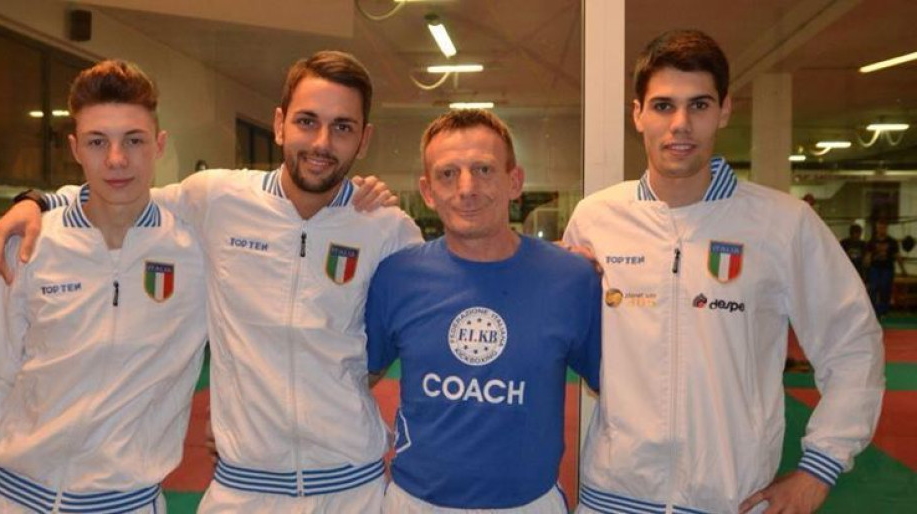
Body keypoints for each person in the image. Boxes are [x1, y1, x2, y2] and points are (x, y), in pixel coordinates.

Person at [0, 51, 423, 513]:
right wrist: (37, 201)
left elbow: (422, 325)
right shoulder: (217, 198)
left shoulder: (386, 228)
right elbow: (122, 193)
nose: (321, 142)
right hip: (243, 489)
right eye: (306, 121)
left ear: (363, 139)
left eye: (342, 127)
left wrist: (357, 379)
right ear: (279, 124)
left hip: (352, 488)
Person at [563, 29, 884, 514]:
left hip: (730, 499)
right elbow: (569, 340)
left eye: (699, 105)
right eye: (663, 106)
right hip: (612, 498)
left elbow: (853, 343)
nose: (681, 125)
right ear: (638, 114)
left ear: (725, 110)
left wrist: (819, 469)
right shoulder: (596, 219)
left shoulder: (782, 224)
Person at [0, 60, 208, 513]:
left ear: (159, 145)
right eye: (97, 141)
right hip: (15, 498)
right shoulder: (30, 242)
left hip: (127, 502)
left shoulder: (198, 251)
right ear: (75, 149)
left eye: (134, 140)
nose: (116, 159)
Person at [367, 109, 602, 513]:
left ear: (515, 181)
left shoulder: (572, 278)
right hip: (414, 502)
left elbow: (622, 389)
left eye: (484, 170)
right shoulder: (396, 276)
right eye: (447, 174)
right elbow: (351, 376)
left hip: (530, 504)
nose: (467, 188)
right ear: (427, 191)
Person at [866, 218, 906, 316]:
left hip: (887, 269)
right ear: (877, 228)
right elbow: (868, 256)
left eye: (883, 227)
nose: (881, 229)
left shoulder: (892, 242)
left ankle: (883, 311)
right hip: (875, 268)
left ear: (886, 228)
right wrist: (865, 269)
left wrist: (903, 269)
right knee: (873, 288)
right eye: (879, 227)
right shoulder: (872, 241)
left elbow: (897, 256)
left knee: (885, 288)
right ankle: (873, 311)